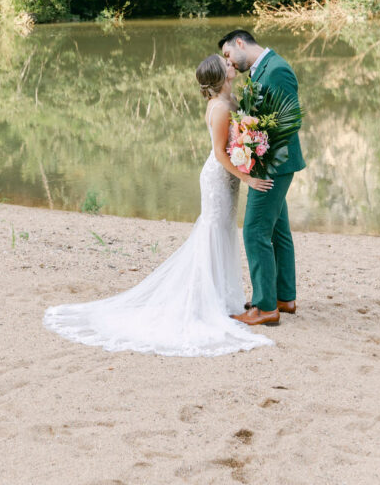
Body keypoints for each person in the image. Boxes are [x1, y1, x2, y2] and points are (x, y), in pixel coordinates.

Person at [42, 54, 274, 356]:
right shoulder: (218, 108)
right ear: (221, 76)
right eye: (226, 63)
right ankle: (206, 301)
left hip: (228, 178)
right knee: (213, 231)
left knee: (224, 231)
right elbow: (219, 153)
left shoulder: (231, 101)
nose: (232, 63)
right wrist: (248, 179)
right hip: (219, 179)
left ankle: (222, 299)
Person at [219, 29, 305, 327]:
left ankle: (265, 307)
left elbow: (290, 121)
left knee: (254, 231)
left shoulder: (277, 70)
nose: (229, 61)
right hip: (270, 163)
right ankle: (284, 297)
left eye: (229, 54)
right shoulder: (262, 70)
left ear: (240, 43)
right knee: (278, 230)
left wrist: (253, 145)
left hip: (273, 165)